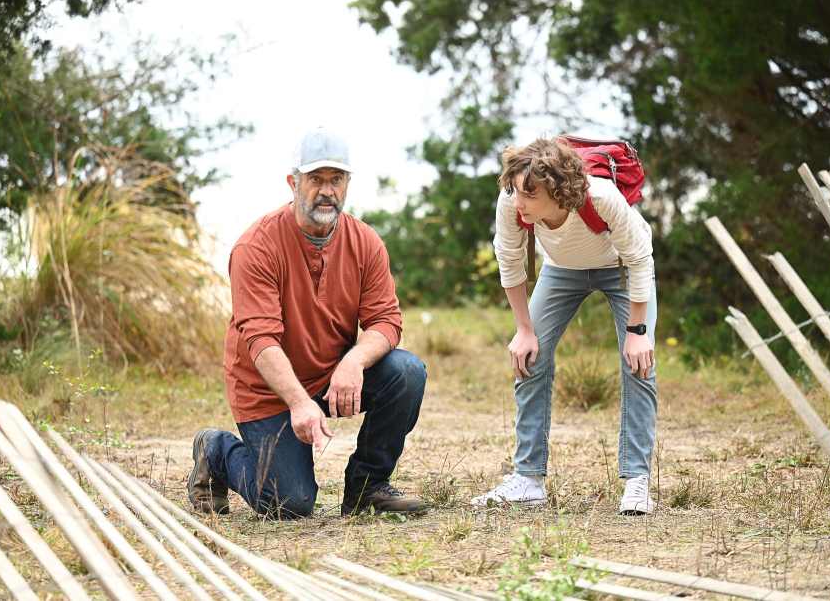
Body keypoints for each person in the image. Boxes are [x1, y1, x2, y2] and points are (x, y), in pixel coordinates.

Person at [187, 127, 428, 519]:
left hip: (332, 376)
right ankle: (216, 451)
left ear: (348, 184)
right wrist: (298, 402)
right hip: (268, 390)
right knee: (289, 505)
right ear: (293, 182)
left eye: (336, 179)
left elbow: (386, 320)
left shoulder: (366, 242)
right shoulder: (257, 246)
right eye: (315, 179)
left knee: (406, 371)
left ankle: (367, 488)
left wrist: (353, 363)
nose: (326, 190)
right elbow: (261, 340)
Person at [471, 137, 658, 515]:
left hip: (620, 268)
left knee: (638, 364)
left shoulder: (602, 197)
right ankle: (528, 479)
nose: (518, 201)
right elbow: (509, 261)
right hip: (561, 271)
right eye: (514, 190)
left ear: (558, 191)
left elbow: (640, 260)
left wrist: (638, 333)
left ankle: (636, 481)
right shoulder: (512, 199)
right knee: (529, 357)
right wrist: (523, 330)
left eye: (529, 193)